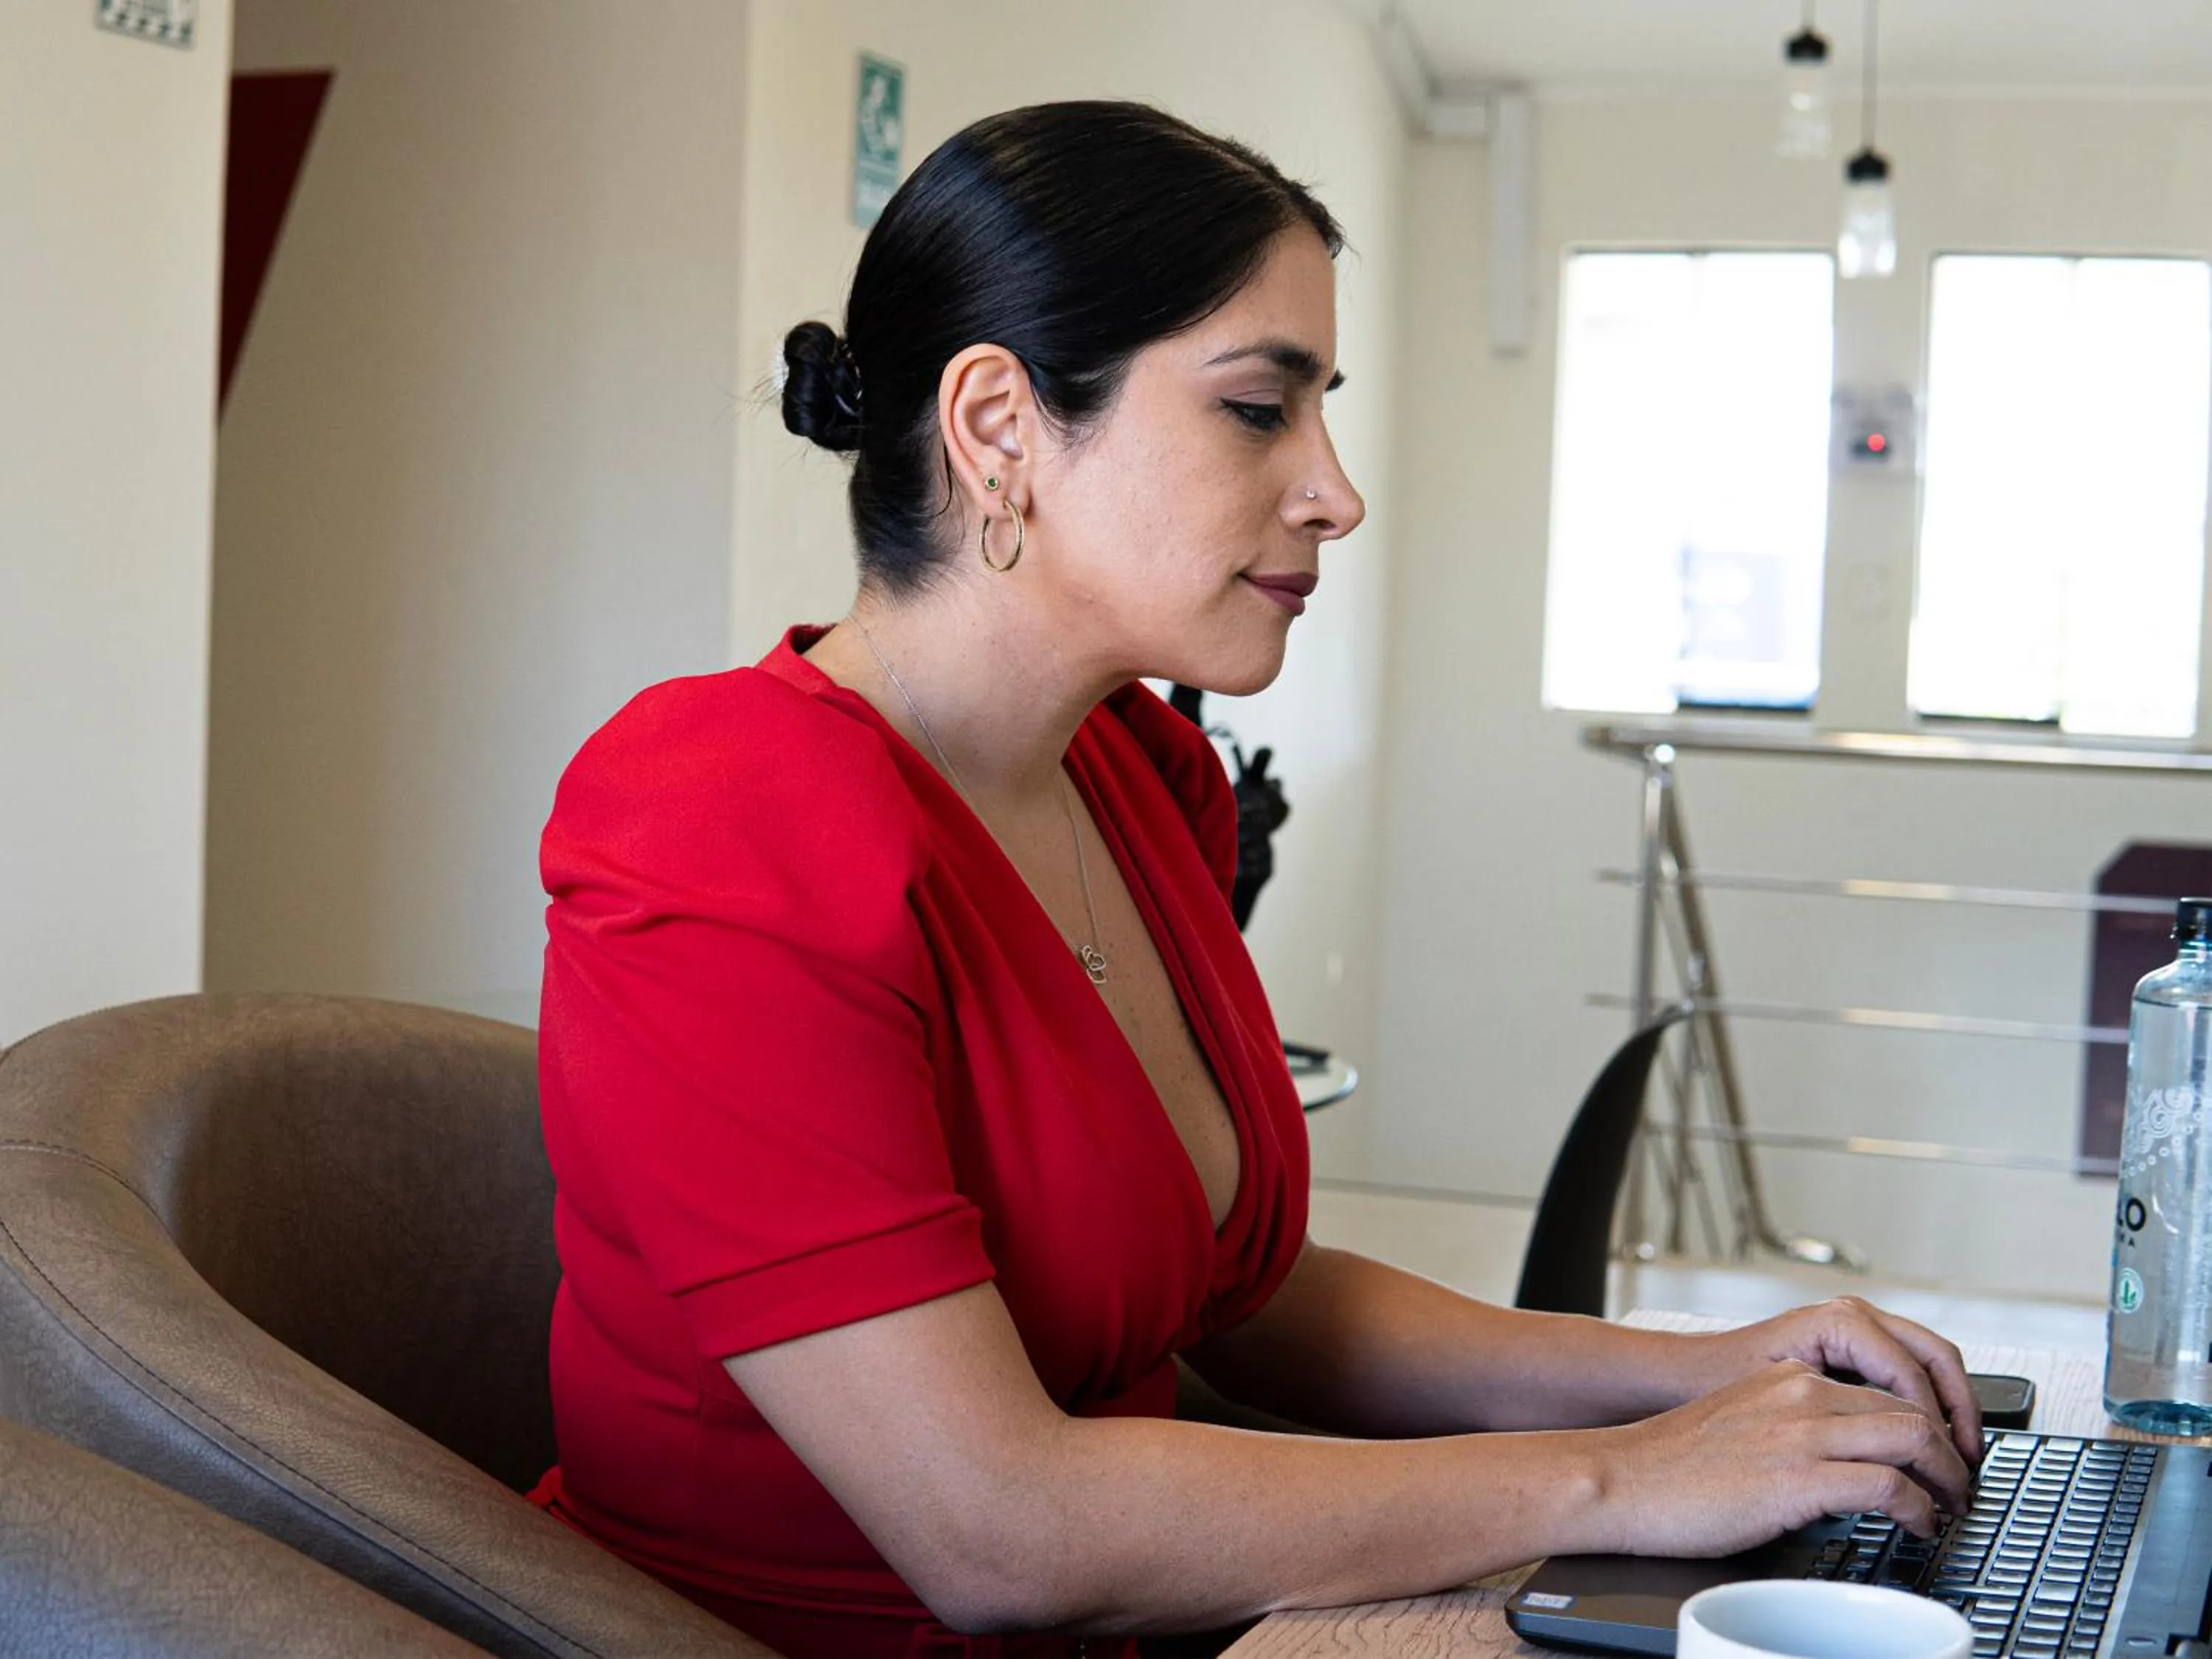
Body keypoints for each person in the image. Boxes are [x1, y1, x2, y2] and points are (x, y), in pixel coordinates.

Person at [529, 101, 1981, 1659]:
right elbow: (996, 1532)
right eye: (1255, 410)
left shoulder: (1138, 779)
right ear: (1000, 425)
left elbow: (1247, 1297)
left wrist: (1704, 1370)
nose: (1334, 492)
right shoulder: (719, 817)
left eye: (1318, 413)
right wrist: (1627, 1478)